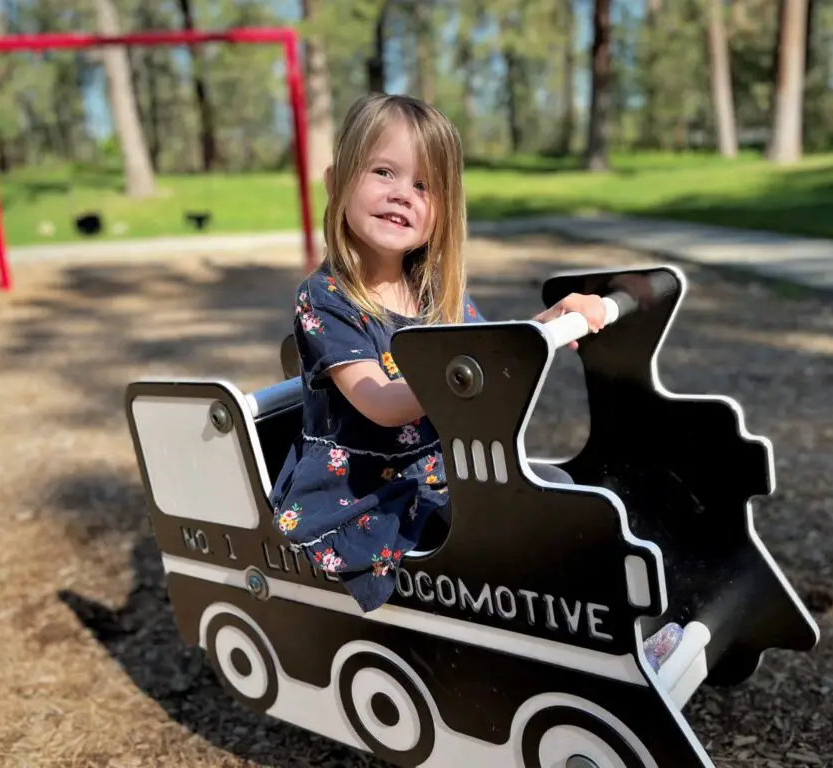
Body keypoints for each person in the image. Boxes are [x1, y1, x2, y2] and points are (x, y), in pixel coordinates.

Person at [267, 93, 681, 674]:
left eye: (423, 186)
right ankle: (573, 657)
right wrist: (457, 376)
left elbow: (490, 346)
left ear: (443, 210)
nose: (401, 195)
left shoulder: (438, 292)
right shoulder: (328, 299)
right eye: (383, 172)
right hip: (364, 494)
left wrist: (552, 320)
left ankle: (615, 643)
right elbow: (382, 403)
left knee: (564, 496)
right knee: (517, 529)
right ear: (338, 181)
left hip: (440, 473)